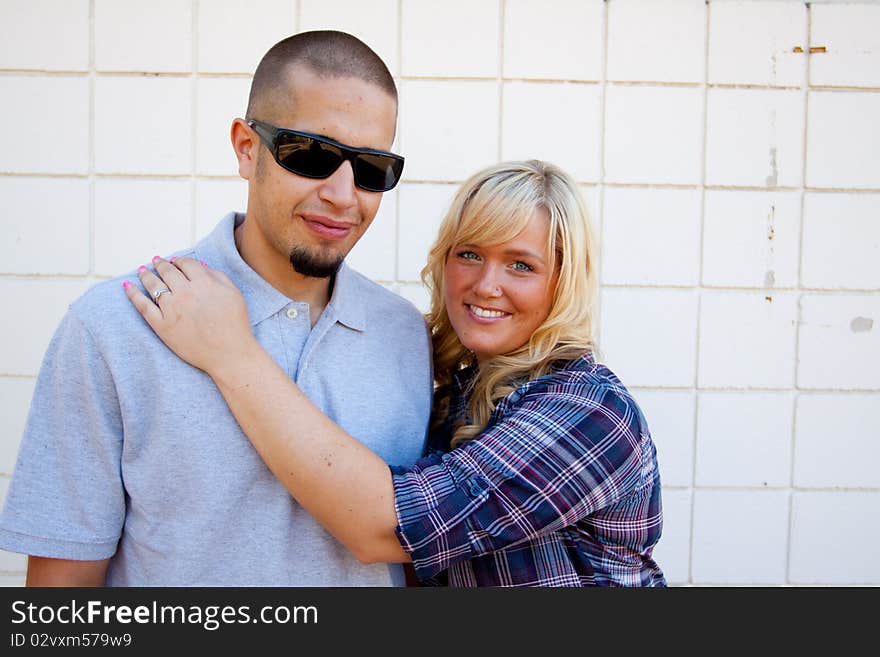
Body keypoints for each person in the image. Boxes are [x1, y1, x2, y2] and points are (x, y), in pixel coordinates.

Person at [0, 31, 433, 586]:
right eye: (312, 155)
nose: (344, 195)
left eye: (372, 169)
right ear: (246, 148)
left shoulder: (404, 333)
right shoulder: (114, 326)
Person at [127, 160, 667, 587]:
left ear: (563, 282)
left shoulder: (591, 414)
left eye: (521, 265)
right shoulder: (452, 389)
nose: (485, 284)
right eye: (470, 254)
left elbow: (385, 527)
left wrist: (229, 352)